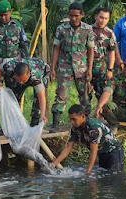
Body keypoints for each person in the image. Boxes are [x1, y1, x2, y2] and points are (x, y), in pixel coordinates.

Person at [50, 2, 94, 133]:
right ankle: (55, 124)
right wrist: (53, 68)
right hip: (65, 67)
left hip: (82, 68)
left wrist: (90, 69)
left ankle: (86, 123)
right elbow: (56, 48)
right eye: (71, 16)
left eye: (76, 16)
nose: (73, 18)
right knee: (61, 95)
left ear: (82, 15)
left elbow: (91, 50)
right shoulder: (61, 29)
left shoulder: (87, 29)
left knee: (85, 96)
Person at [0, 0, 29, 132]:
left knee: (14, 93)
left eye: (6, 15)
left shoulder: (17, 25)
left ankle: (13, 123)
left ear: (10, 12)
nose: (4, 18)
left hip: (13, 65)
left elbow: (23, 45)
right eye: (1, 15)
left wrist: (24, 63)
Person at [51, 104, 124, 174]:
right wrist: (54, 164)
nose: (72, 122)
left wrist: (88, 173)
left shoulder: (93, 128)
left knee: (113, 177)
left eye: (74, 119)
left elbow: (93, 151)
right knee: (104, 177)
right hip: (102, 153)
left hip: (114, 152)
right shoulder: (75, 129)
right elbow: (68, 148)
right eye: (71, 119)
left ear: (82, 117)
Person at [0, 57, 49, 126]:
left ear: (28, 74)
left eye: (23, 80)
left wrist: (42, 115)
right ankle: (12, 123)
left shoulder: (36, 76)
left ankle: (35, 122)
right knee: (13, 97)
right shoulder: (9, 66)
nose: (21, 82)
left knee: (37, 99)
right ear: (14, 74)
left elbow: (41, 97)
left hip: (42, 69)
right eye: (19, 80)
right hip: (20, 69)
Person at [91, 7, 116, 100]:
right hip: (86, 66)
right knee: (85, 96)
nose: (103, 20)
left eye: (106, 18)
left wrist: (110, 70)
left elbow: (111, 52)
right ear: (95, 16)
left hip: (101, 68)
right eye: (101, 17)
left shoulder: (109, 33)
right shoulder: (87, 30)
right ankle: (85, 114)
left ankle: (100, 114)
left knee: (102, 96)